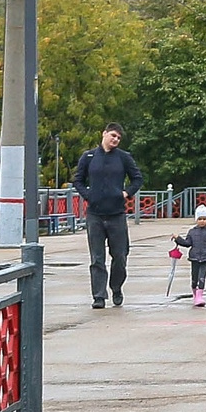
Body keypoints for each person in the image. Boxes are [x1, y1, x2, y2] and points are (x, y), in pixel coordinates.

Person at [72, 124, 144, 310]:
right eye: (113, 135)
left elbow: (137, 178)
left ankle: (116, 287)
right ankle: (99, 296)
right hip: (95, 214)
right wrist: (88, 195)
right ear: (104, 134)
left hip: (116, 215)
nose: (115, 140)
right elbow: (78, 180)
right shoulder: (88, 157)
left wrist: (126, 193)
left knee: (120, 256)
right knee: (97, 258)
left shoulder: (123, 157)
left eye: (118, 138)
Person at [173, 206, 206, 308]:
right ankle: (195, 295)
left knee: (202, 278)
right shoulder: (192, 232)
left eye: (204, 219)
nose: (202, 221)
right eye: (199, 219)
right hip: (194, 257)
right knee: (194, 278)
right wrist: (178, 239)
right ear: (196, 220)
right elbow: (187, 243)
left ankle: (199, 296)